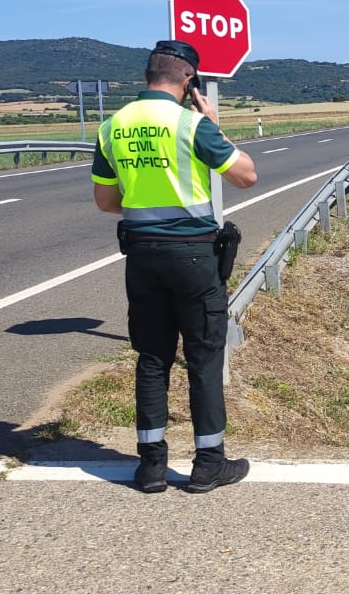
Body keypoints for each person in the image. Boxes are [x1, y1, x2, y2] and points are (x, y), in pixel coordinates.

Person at [91, 40, 258, 494]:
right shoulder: (190, 124)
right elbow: (246, 177)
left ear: (148, 76)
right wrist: (215, 128)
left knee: (151, 357)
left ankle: (150, 466)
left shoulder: (112, 127)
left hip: (141, 257)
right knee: (203, 357)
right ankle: (208, 464)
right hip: (194, 256)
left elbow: (107, 202)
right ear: (189, 82)